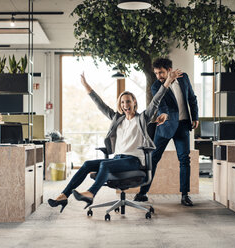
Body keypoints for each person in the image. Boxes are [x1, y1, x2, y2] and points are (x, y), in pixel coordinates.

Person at [48, 69, 183, 212]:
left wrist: (168, 80)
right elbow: (100, 104)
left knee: (105, 165)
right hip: (118, 159)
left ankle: (91, 193)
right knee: (87, 164)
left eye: (128, 102)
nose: (126, 105)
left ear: (134, 102)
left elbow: (156, 100)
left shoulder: (142, 118)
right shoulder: (117, 119)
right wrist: (86, 86)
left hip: (133, 161)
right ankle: (64, 195)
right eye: (123, 102)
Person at [134, 58, 199, 207]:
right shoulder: (156, 86)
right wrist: (164, 115)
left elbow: (192, 98)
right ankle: (143, 192)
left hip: (183, 125)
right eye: (156, 73)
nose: (158, 76)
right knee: (153, 158)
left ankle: (185, 195)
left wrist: (195, 117)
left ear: (169, 70)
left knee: (184, 160)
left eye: (161, 72)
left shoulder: (184, 78)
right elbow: (162, 105)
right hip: (165, 126)